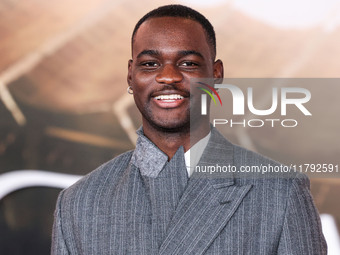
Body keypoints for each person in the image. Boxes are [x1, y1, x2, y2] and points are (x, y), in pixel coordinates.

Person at [51, 4, 327, 254]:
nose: (168, 76)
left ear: (216, 74)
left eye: (188, 64)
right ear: (131, 75)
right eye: (150, 64)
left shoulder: (280, 192)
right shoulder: (79, 203)